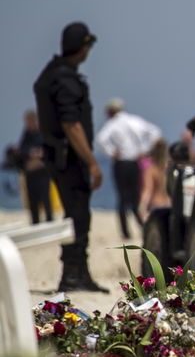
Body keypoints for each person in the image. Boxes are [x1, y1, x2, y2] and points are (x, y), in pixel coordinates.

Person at [33, 21, 108, 293]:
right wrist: (92, 162)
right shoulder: (65, 79)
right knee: (77, 216)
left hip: (58, 157)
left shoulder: (51, 74)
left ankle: (78, 273)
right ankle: (73, 275)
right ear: (82, 48)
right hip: (70, 159)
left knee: (75, 215)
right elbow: (71, 124)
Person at [96, 98, 162, 238]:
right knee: (136, 196)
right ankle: (142, 227)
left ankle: (125, 232)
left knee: (122, 198)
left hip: (122, 163)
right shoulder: (134, 120)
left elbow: (101, 139)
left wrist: (111, 152)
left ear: (111, 111)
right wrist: (145, 149)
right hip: (136, 162)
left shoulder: (112, 123)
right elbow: (155, 132)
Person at [17, 109, 53, 224]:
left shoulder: (42, 133)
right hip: (30, 173)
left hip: (43, 171)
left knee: (45, 197)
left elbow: (48, 150)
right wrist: (31, 153)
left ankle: (49, 220)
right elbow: (21, 151)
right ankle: (35, 222)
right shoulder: (26, 134)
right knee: (32, 200)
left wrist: (38, 154)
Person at [138, 139, 171, 222]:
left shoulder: (151, 170)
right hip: (170, 204)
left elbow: (148, 189)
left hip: (156, 205)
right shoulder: (171, 169)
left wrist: (142, 207)